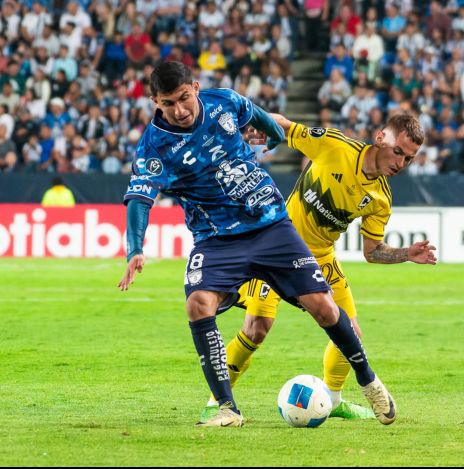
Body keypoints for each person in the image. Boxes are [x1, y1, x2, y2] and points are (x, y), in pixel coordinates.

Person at [117, 62, 397, 428]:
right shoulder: (154, 146)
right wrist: (134, 248)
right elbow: (140, 198)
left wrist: (274, 137)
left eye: (184, 98)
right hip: (216, 238)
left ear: (196, 88)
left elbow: (257, 115)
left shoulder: (224, 102)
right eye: (168, 103)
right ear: (155, 102)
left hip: (271, 226)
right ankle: (226, 408)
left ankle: (370, 383)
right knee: (198, 305)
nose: (179, 110)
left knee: (324, 309)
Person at [199, 112, 437, 423]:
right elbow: (283, 125)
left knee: (350, 330)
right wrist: (243, 119)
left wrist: (406, 253)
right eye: (398, 152)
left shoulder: (380, 198)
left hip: (321, 258)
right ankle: (218, 401)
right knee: (257, 327)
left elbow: (372, 251)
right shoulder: (334, 146)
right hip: (277, 247)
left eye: (409, 158)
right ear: (380, 138)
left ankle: (333, 399)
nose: (401, 163)